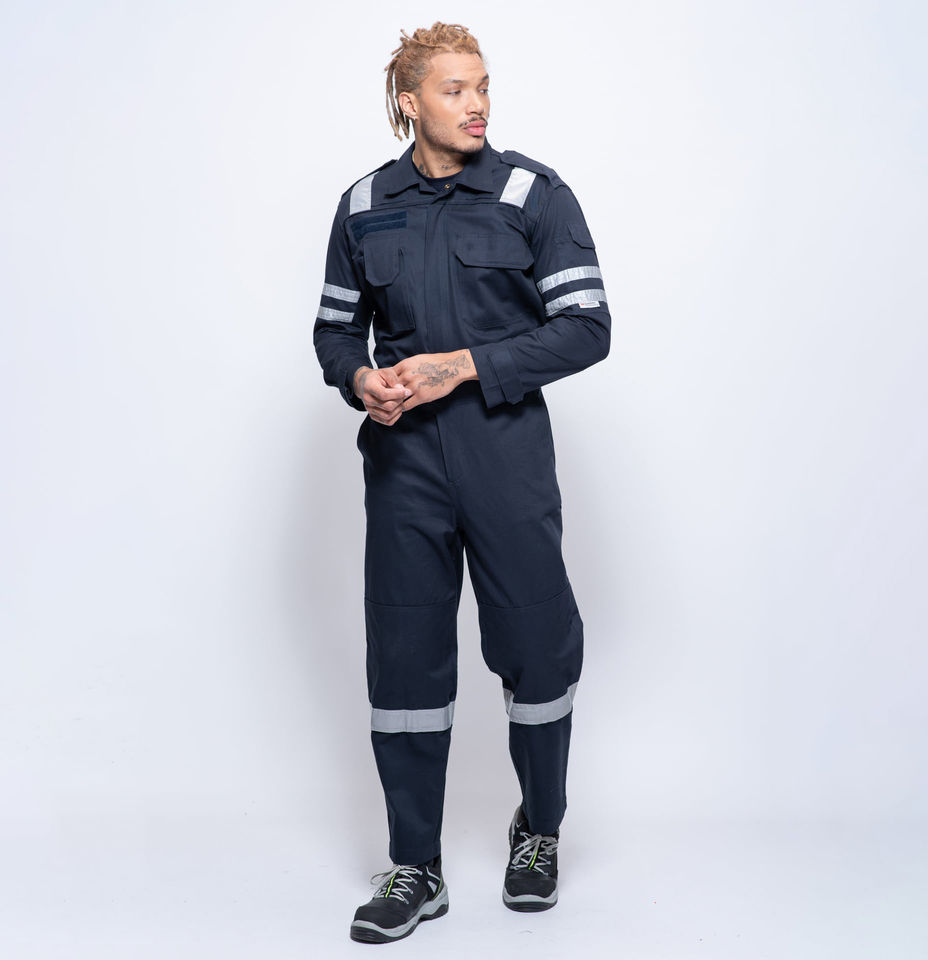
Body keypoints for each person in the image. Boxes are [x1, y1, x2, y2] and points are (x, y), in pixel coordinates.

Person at [312, 22, 611, 944]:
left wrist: (466, 366)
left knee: (537, 645)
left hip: (504, 454)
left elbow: (588, 326)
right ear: (410, 102)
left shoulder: (532, 193)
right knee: (405, 660)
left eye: (482, 85)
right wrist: (358, 378)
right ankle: (416, 865)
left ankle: (540, 830)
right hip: (404, 463)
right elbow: (333, 331)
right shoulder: (364, 204)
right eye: (454, 89)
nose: (477, 104)